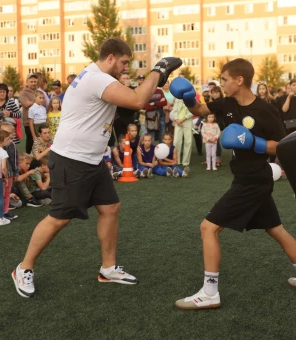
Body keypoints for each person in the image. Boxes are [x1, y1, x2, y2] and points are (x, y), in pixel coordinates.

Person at [11, 38, 182, 298]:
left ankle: (108, 268)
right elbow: (136, 100)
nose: (125, 68)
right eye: (124, 62)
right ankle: (23, 268)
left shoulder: (95, 77)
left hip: (91, 159)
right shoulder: (96, 78)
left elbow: (114, 110)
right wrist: (158, 70)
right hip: (72, 159)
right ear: (111, 57)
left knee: (110, 207)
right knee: (59, 218)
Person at [170, 58, 296, 310]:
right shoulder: (226, 102)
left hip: (253, 179)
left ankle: (209, 292)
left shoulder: (266, 110)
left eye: (225, 79)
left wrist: (252, 143)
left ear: (239, 80)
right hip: (247, 178)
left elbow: (282, 145)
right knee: (276, 229)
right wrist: (186, 96)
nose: (222, 84)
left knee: (208, 228)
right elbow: (199, 111)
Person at [19, 73, 38, 155]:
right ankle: (28, 160)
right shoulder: (23, 93)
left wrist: (33, 102)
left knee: (39, 142)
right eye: (31, 81)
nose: (33, 83)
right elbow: (26, 103)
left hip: (39, 121)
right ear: (27, 82)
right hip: (28, 122)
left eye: (35, 81)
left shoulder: (38, 92)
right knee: (30, 141)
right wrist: (38, 101)